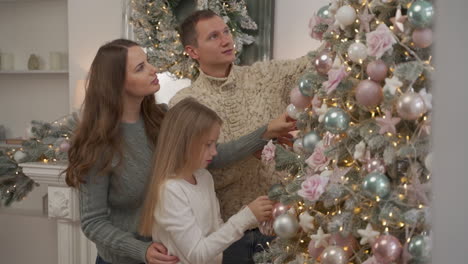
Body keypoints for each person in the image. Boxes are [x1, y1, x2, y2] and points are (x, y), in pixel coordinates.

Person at [64, 39, 294, 264]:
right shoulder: (96, 145)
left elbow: (208, 156)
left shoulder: (162, 119)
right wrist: (140, 251)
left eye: (148, 62)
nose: (153, 69)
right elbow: (93, 222)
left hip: (173, 254)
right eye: (140, 68)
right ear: (117, 83)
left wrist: (265, 133)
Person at [169, 9, 312, 263]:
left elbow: (311, 65)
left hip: (285, 223)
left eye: (226, 31)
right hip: (230, 234)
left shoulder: (264, 77)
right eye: (213, 36)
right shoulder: (185, 103)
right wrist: (263, 134)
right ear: (193, 52)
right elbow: (200, 162)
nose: (226, 40)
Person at [139, 97, 274, 264]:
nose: (215, 152)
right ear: (185, 143)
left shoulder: (204, 177)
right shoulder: (170, 190)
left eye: (215, 144)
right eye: (208, 144)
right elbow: (197, 255)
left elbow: (217, 233)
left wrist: (252, 217)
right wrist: (246, 217)